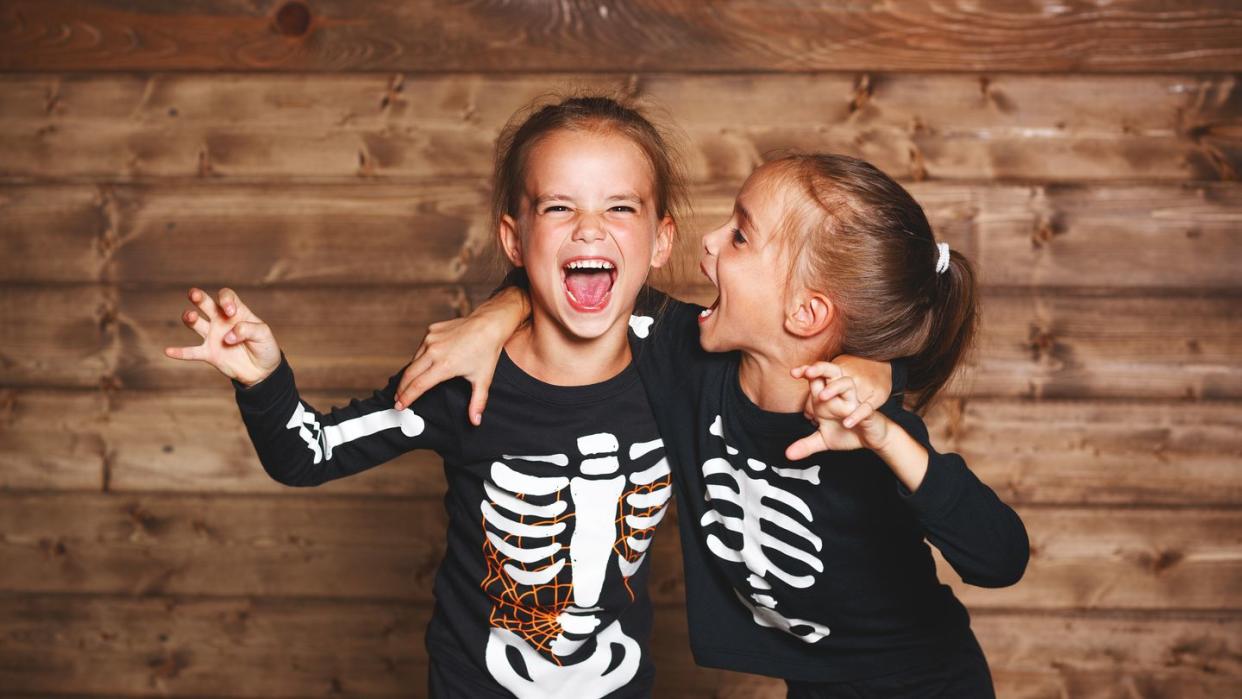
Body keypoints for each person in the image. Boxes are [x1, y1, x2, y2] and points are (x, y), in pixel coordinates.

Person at [395, 153, 1029, 697]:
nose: (709, 240)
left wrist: (891, 431)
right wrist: (495, 313)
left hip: (931, 682)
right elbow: (582, 284)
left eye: (741, 237)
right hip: (812, 686)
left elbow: (999, 559)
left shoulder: (865, 426)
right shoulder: (685, 358)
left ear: (807, 311)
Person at [164, 95, 707, 698]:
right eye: (558, 205)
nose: (590, 227)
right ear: (514, 239)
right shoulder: (459, 380)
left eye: (620, 206)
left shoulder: (682, 352)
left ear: (661, 241)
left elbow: (788, 338)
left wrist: (840, 364)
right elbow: (306, 455)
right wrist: (262, 380)